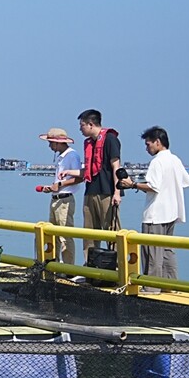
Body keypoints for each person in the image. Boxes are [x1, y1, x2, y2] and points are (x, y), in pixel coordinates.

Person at [120, 127, 189, 283]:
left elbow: (153, 186)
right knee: (167, 251)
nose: (147, 148)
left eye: (148, 144)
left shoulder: (157, 161)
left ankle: (151, 287)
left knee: (152, 252)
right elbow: (186, 182)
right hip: (172, 212)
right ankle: (170, 284)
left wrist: (133, 185)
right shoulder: (175, 160)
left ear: (157, 142)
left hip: (155, 214)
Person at [33, 127, 83, 266]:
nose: (49, 146)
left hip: (65, 199)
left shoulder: (72, 155)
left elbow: (80, 177)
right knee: (53, 234)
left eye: (51, 143)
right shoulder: (62, 157)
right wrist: (52, 187)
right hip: (57, 198)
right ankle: (54, 264)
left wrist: (60, 184)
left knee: (65, 236)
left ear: (58, 142)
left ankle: (68, 268)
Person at [78, 109, 126, 239]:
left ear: (91, 124)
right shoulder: (89, 143)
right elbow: (87, 169)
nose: (80, 129)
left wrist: (117, 193)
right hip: (90, 190)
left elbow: (116, 167)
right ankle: (90, 253)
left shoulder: (110, 139)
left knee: (111, 229)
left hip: (107, 192)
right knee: (89, 231)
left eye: (82, 125)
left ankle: (117, 252)